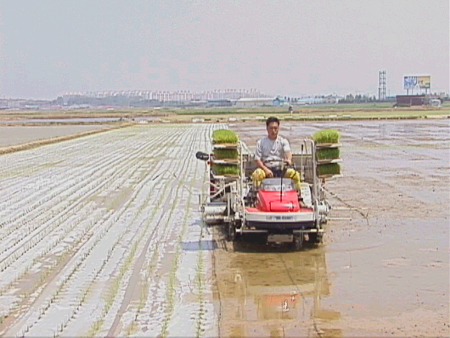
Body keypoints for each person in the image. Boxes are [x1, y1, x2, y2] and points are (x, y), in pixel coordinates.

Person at [251, 116, 301, 189]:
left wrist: (289, 160)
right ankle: (257, 195)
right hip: (266, 170)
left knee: (295, 175)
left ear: (278, 128)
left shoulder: (283, 141)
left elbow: (288, 152)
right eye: (271, 128)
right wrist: (266, 170)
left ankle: (297, 196)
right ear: (267, 129)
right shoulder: (261, 142)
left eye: (275, 128)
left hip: (281, 169)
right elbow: (257, 159)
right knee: (256, 174)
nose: (273, 130)